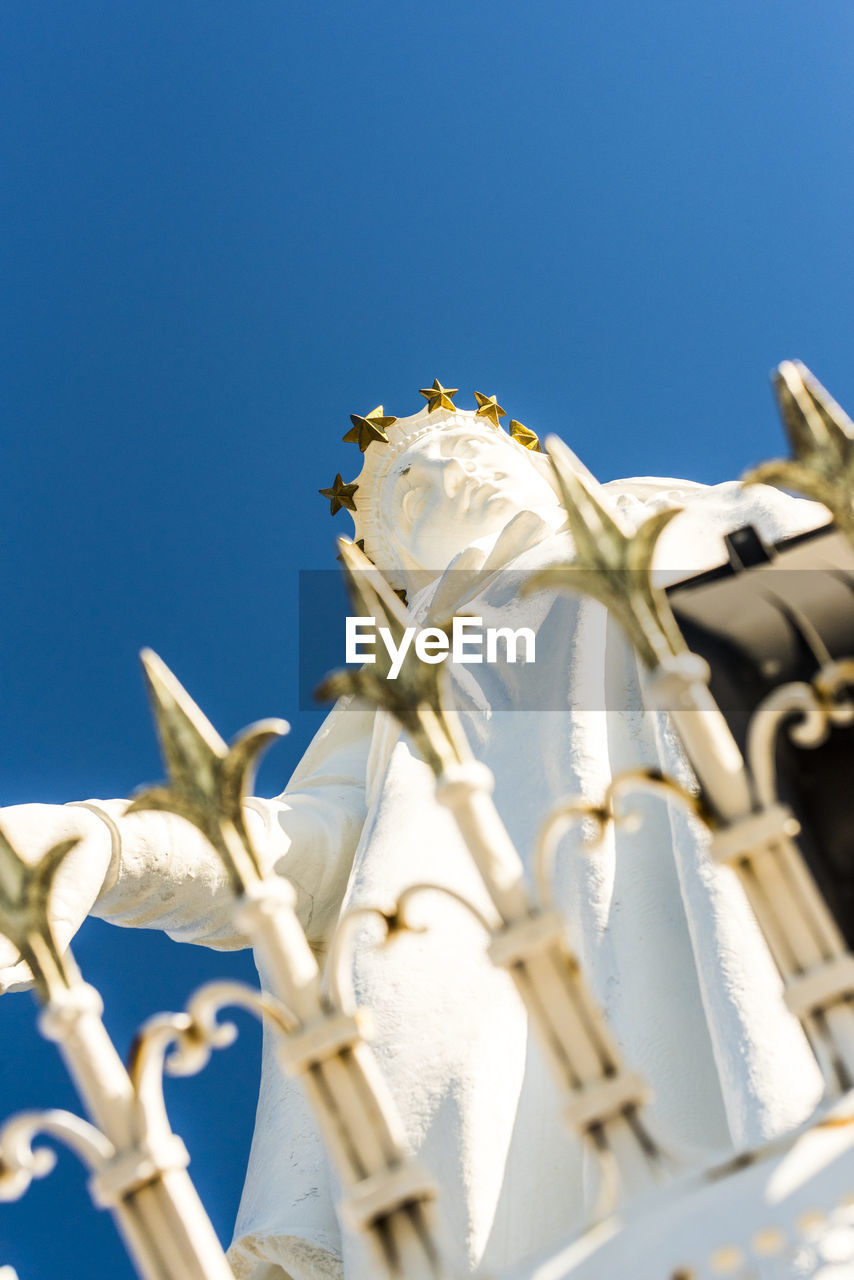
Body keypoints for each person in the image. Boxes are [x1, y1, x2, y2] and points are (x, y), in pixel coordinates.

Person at [0, 394, 831, 1279]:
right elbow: (308, 855)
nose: (446, 473)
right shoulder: (409, 661)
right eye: (410, 495)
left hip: (791, 868)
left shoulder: (723, 515)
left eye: (465, 446)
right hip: (534, 1007)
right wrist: (103, 846)